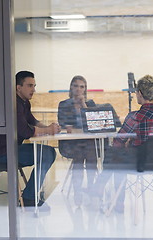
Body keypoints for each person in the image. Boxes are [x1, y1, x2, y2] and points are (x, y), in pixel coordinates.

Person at [93, 75, 153, 212]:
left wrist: (128, 143)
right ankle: (110, 195)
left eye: (136, 92)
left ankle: (111, 196)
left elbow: (118, 141)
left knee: (114, 154)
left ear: (140, 94)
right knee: (120, 156)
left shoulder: (134, 117)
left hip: (138, 163)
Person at [0, 71, 61, 210]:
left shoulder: (24, 102)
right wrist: (48, 130)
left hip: (10, 148)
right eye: (30, 85)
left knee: (47, 153)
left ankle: (29, 195)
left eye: (34, 86)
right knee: (48, 154)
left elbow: (32, 121)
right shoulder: (13, 104)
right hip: (2, 153)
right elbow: (25, 131)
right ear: (18, 87)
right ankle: (29, 198)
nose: (34, 90)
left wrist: (49, 127)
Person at [57, 75, 98, 206]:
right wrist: (78, 130)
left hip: (88, 142)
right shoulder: (64, 104)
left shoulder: (90, 104)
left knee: (91, 153)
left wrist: (83, 105)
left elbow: (93, 124)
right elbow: (65, 126)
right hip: (71, 142)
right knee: (80, 155)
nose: (79, 89)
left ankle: (91, 188)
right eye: (76, 86)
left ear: (85, 89)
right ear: (71, 88)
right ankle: (77, 191)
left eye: (82, 87)